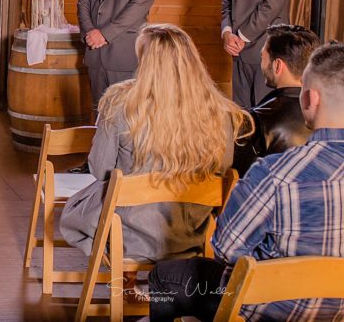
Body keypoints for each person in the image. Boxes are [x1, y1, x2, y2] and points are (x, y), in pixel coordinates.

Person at [148, 42, 344, 322]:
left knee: (164, 276)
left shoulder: (276, 173)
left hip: (274, 309)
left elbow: (226, 248)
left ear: (310, 99)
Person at [60, 24, 250, 263]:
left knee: (87, 203)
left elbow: (100, 170)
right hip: (190, 234)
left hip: (129, 236)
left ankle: (127, 282)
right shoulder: (220, 111)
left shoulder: (120, 103)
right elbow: (220, 172)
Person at [231, 24, 318, 176]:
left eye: (263, 57)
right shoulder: (332, 112)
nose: (262, 65)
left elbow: (242, 181)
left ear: (277, 65)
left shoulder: (256, 121)